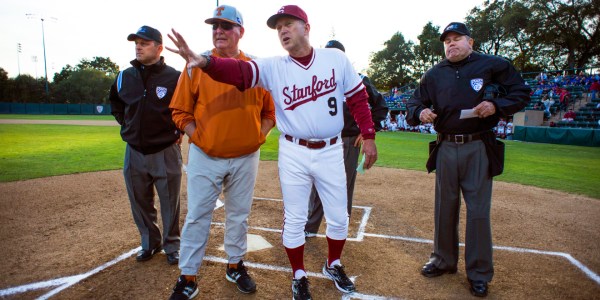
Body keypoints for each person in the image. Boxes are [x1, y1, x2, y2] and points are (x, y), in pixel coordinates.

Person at [167, 5, 378, 300]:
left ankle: (324, 264)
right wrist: (204, 62)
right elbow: (235, 74)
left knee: (333, 216)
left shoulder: (332, 59)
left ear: (306, 26)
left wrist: (368, 135)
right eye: (279, 27)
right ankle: (293, 275)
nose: (283, 30)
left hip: (317, 150)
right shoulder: (265, 66)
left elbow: (356, 97)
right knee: (285, 218)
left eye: (288, 24)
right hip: (277, 151)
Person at [406, 22, 530, 297]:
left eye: (457, 38)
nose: (451, 44)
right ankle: (443, 260)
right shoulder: (434, 74)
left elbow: (521, 92)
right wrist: (421, 112)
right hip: (446, 146)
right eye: (447, 40)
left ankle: (479, 273)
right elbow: (413, 104)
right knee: (444, 208)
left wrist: (497, 105)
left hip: (478, 146)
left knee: (478, 212)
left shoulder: (493, 65)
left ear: (471, 42)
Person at [166, 5, 276, 300]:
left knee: (238, 215)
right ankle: (188, 276)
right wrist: (198, 137)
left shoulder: (256, 67)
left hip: (246, 156)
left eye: (226, 26)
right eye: (215, 26)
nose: (219, 31)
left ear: (241, 31)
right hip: (206, 155)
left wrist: (259, 136)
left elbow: (269, 111)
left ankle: (235, 265)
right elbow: (179, 110)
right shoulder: (195, 65)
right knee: (198, 215)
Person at [109, 25, 183, 266]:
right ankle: (150, 242)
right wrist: (128, 127)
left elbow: (186, 108)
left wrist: (178, 130)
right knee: (139, 202)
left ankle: (172, 245)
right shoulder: (124, 76)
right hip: (134, 151)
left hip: (165, 150)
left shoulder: (175, 76)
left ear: (159, 48)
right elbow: (116, 105)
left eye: (144, 43)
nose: (138, 46)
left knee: (170, 201)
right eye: (136, 43)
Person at [303, 40, 388, 237]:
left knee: (343, 185)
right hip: (322, 140)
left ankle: (340, 225)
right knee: (317, 183)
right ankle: (310, 227)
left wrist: (367, 131)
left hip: (348, 140)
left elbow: (381, 106)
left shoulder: (359, 79)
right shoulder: (317, 80)